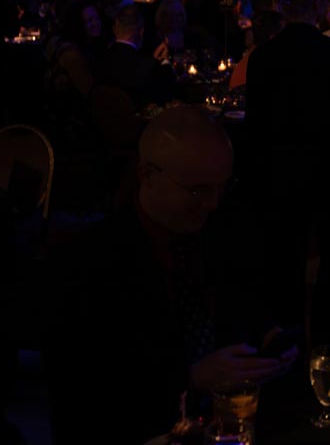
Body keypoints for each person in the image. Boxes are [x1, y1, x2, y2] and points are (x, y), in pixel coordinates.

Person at [46, 107, 296, 444]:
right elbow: (84, 395)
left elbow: (242, 299)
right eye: (197, 190)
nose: (212, 203)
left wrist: (269, 335)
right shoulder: (86, 264)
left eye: (222, 187)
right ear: (146, 175)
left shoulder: (224, 228)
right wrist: (191, 377)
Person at [244, 0, 330, 330]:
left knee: (283, 262)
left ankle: (285, 339)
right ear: (318, 8)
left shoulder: (262, 57)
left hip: (278, 171)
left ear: (281, 8)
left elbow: (255, 124)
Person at [93, 4, 176, 109]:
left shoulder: (98, 59)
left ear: (115, 29)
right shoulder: (146, 66)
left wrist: (153, 60)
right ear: (141, 32)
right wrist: (165, 61)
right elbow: (168, 92)